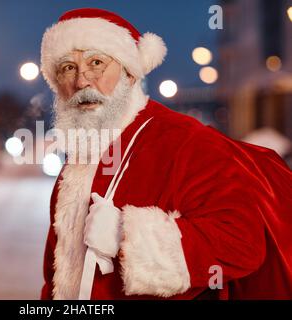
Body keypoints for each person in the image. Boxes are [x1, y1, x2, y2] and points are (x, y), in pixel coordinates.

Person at [39, 8, 292, 300]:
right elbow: (56, 273)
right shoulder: (78, 162)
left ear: (130, 74)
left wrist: (126, 236)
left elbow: (242, 242)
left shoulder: (186, 140)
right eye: (68, 67)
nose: (82, 81)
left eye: (96, 62)